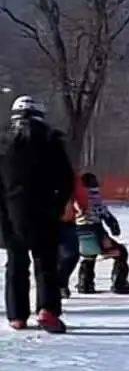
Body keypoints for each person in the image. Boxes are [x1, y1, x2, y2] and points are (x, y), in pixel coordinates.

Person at [0, 96, 73, 333]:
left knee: (16, 264)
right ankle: (47, 310)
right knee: (46, 263)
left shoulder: (3, 142)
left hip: (10, 211)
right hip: (44, 210)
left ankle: (17, 316)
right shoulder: (51, 140)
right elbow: (66, 178)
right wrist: (59, 203)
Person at [75, 172, 129, 294]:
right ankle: (119, 282)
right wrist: (114, 227)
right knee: (121, 252)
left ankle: (85, 284)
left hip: (79, 239)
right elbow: (106, 216)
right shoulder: (95, 199)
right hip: (96, 235)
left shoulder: (75, 200)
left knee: (89, 257)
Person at [57, 173, 89, 298]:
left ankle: (61, 282)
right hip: (45, 221)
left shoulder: (67, 174)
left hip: (67, 221)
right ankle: (52, 289)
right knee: (49, 258)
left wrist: (83, 205)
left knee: (72, 254)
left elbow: (78, 190)